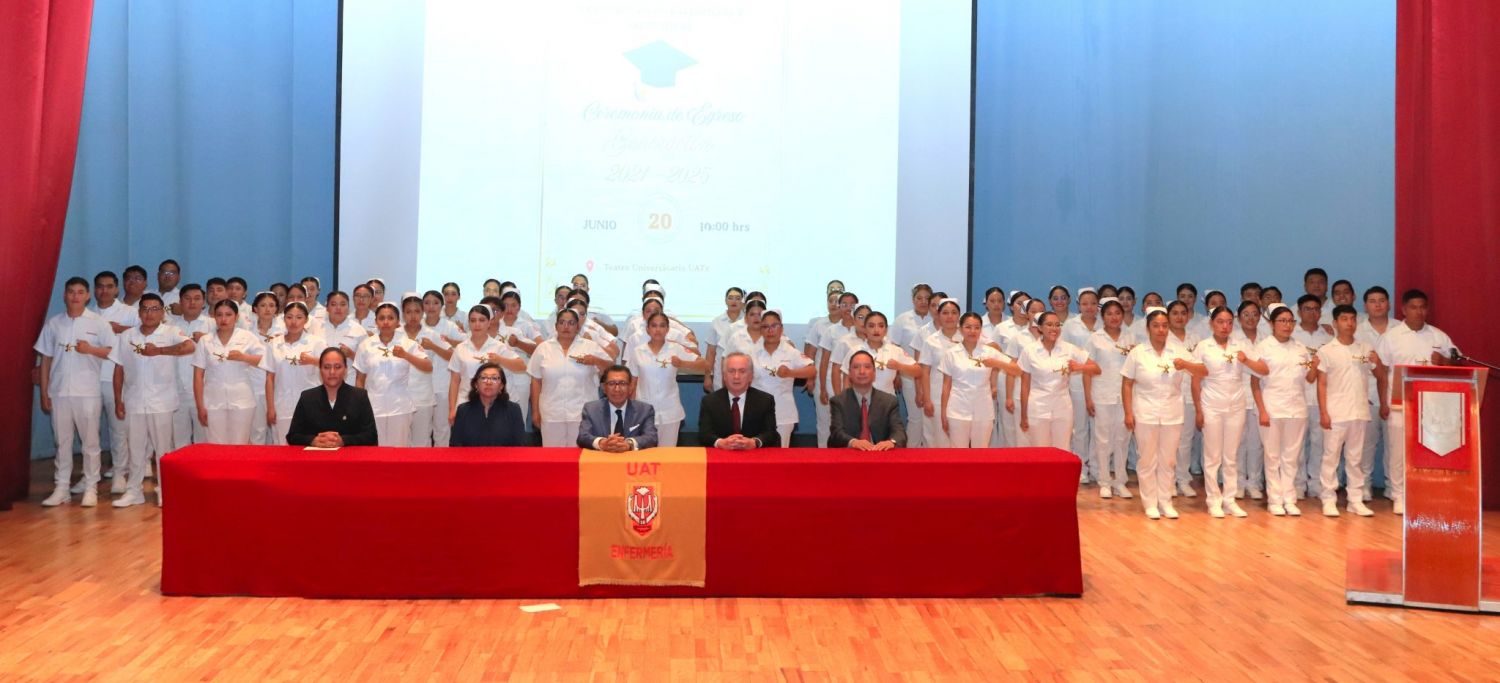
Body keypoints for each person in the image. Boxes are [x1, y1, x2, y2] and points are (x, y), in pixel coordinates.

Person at [1376, 289, 1459, 515]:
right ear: (1404, 310)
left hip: (1432, 404)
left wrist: (1444, 361)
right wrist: (1383, 403)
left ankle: (1424, 492)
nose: (1418, 312)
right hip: (1399, 402)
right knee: (1397, 451)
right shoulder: (1391, 337)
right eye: (1413, 307)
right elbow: (1382, 372)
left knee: (1428, 450)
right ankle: (1398, 494)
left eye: (1422, 307)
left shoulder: (1438, 336)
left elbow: (1457, 362)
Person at [35, 277, 115, 507]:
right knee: (62, 442)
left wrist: (90, 349)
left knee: (90, 443)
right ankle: (61, 488)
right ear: (65, 295)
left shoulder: (99, 323)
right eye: (71, 292)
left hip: (88, 391)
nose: (75, 296)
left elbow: (112, 351)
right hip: (59, 392)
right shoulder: (54, 324)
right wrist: (44, 392)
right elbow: (46, 359)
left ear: (88, 296)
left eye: (80, 292)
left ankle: (91, 487)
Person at [108, 293, 193, 506]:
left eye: (155, 309)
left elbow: (190, 346)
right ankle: (133, 491)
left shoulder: (171, 331)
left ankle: (165, 490)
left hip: (162, 402)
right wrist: (118, 400)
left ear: (162, 312)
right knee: (135, 449)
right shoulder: (127, 336)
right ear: (139, 312)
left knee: (163, 450)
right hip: (134, 400)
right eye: (145, 309)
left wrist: (160, 351)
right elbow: (118, 369)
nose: (149, 313)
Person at [1122, 308, 1206, 520]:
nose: (1161, 330)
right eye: (1156, 326)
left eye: (1164, 326)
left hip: (1172, 412)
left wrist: (1185, 364)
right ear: (1148, 328)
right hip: (1145, 411)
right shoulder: (1138, 352)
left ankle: (1165, 501)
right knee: (1147, 459)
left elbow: (1203, 371)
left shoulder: (1177, 350)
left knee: (1168, 460)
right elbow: (1127, 383)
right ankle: (1150, 502)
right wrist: (1128, 412)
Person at [1317, 304, 1387, 517]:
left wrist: (1378, 363)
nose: (1349, 323)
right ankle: (1328, 498)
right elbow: (1321, 383)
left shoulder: (1365, 348)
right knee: (1331, 457)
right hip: (1336, 412)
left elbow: (1381, 376)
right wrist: (1324, 412)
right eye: (1344, 319)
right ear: (1335, 323)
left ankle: (1354, 500)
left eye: (1353, 319)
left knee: (1355, 459)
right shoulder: (1326, 350)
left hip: (1359, 411)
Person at [1191, 306, 1259, 518]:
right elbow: (1195, 381)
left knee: (1231, 455)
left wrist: (1246, 360)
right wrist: (1198, 410)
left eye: (1229, 322)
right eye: (1220, 322)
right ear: (1211, 323)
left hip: (1236, 405)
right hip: (1211, 404)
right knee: (1213, 456)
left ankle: (1230, 499)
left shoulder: (1240, 345)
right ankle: (1213, 500)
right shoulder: (1203, 346)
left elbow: (1260, 369)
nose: (1225, 326)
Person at [1250, 304, 1318, 517]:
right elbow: (1255, 382)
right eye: (1282, 321)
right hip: (1272, 408)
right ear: (1272, 324)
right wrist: (1262, 410)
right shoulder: (1263, 347)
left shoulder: (1300, 348)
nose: (1287, 325)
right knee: (1272, 457)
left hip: (1297, 409)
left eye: (1290, 321)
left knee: (1291, 457)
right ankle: (1274, 499)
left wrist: (1315, 364)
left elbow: (1309, 378)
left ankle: (1289, 498)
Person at [528, 309, 614, 447]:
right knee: (553, 457)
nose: (566, 326)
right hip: (551, 412)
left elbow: (611, 367)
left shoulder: (590, 346)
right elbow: (536, 381)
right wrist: (535, 411)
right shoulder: (543, 348)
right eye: (562, 322)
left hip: (583, 413)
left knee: (580, 455)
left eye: (571, 323)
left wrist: (596, 360)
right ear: (556, 326)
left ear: (578, 327)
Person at [352, 303, 432, 447]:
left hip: (400, 407)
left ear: (397, 321)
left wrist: (406, 355)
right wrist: (359, 405)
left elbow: (428, 366)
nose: (386, 322)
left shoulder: (408, 343)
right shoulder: (366, 345)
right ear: (376, 321)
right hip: (373, 407)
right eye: (381, 318)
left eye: (390, 318)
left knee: (399, 451)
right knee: (375, 450)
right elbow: (360, 379)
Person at [626, 312, 709, 447]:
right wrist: (631, 410)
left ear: (668, 329)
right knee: (645, 453)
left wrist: (683, 363)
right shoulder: (637, 352)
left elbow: (705, 365)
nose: (658, 329)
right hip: (644, 410)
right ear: (647, 329)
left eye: (662, 326)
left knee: (667, 454)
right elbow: (633, 382)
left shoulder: (676, 348)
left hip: (670, 411)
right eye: (654, 326)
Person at [1020, 311, 1099, 451]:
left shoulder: (1068, 348)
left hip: (1062, 406)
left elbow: (1096, 369)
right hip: (1038, 406)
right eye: (1049, 325)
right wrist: (1023, 415)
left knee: (1062, 449)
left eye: (1057, 325)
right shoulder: (1029, 351)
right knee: (1040, 450)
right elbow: (1025, 386)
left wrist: (1080, 367)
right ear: (1040, 328)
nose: (1054, 328)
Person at [192, 300, 266, 444]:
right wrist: (200, 406)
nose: (223, 319)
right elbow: (198, 376)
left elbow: (265, 360)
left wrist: (244, 357)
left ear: (236, 317)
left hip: (242, 400)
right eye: (219, 315)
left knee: (239, 445)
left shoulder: (247, 337)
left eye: (228, 315)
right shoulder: (205, 341)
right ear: (214, 317)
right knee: (215, 446)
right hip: (212, 401)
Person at [1084, 298, 1137, 499]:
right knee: (1103, 439)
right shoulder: (1094, 339)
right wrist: (1088, 398)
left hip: (1125, 397)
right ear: (1102, 316)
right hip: (1101, 395)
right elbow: (1087, 370)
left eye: (1117, 313)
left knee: (1122, 439)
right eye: (1109, 314)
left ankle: (1120, 481)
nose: (1114, 317)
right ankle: (1104, 481)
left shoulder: (1130, 337)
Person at [91, 271, 138, 491]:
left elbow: (146, 332)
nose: (105, 290)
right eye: (100, 286)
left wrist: (121, 329)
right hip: (89, 379)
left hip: (116, 377)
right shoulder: (87, 314)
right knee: (90, 431)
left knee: (118, 428)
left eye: (109, 286)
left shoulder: (129, 313)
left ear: (117, 289)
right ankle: (90, 477)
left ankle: (120, 472)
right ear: (94, 290)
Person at [943, 312, 1019, 448]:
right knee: (958, 453)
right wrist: (943, 413)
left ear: (981, 330)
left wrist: (996, 363)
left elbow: (1017, 370)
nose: (972, 331)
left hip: (983, 410)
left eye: (977, 327)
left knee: (981, 452)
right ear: (960, 329)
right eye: (968, 327)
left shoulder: (989, 351)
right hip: (957, 409)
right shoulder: (951, 353)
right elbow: (946, 386)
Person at [449, 305, 527, 426]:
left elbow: (521, 366)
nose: (477, 324)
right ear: (469, 323)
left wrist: (500, 360)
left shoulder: (498, 346)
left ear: (489, 323)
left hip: (495, 404)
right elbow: (454, 381)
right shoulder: (460, 348)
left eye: (482, 320)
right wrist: (452, 409)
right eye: (473, 320)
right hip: (466, 402)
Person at [285, 347, 379, 447]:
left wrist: (344, 441)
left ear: (345, 369)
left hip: (349, 456)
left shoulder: (359, 396)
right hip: (315, 456)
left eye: (337, 367)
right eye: (327, 367)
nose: (332, 372)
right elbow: (292, 436)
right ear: (320, 369)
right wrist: (313, 440)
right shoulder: (307, 397)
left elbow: (371, 436)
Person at [751, 310, 817, 447]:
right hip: (756, 411)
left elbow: (812, 370)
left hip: (783, 412)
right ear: (761, 330)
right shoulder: (751, 352)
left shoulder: (790, 351)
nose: (770, 330)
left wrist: (790, 372)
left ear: (781, 328)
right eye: (765, 326)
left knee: (780, 453)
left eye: (774, 326)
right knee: (756, 453)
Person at [261, 302, 324, 445]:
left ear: (306, 320)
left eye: (299, 317)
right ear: (283, 319)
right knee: (282, 446)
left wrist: (313, 361)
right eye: (289, 317)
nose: (294, 322)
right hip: (281, 405)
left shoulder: (316, 342)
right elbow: (269, 378)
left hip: (310, 405)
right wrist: (270, 407)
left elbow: (330, 367)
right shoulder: (274, 343)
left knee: (309, 447)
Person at [1291, 294, 1333, 500]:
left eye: (1316, 309)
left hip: (1320, 399)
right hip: (1296, 397)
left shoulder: (1328, 336)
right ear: (1299, 312)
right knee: (1296, 445)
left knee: (1319, 444)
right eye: (1307, 309)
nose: (1312, 313)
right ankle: (1297, 484)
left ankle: (1316, 483)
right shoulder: (1291, 335)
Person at [1355, 286, 1393, 500]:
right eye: (1372, 301)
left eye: (1381, 300)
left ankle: (1393, 487)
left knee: (1394, 446)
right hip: (1366, 396)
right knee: (1365, 446)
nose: (1377, 305)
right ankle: (1364, 486)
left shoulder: (1400, 330)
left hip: (1394, 397)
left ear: (1389, 304)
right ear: (1365, 306)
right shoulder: (1356, 331)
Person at [698, 352, 779, 449]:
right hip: (722, 455)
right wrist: (720, 442)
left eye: (742, 371)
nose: (736, 376)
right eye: (731, 371)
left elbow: (770, 433)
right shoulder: (709, 401)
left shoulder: (765, 400)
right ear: (724, 376)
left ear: (750, 376)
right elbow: (704, 434)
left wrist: (754, 442)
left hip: (754, 454)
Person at [829, 350, 906, 449]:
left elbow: (899, 433)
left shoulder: (889, 401)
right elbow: (836, 433)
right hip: (850, 454)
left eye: (867, 367)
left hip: (880, 454)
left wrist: (891, 442)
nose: (862, 371)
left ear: (874, 373)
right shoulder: (838, 402)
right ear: (849, 373)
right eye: (856, 367)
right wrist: (853, 442)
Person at [889, 283, 934, 447]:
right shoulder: (902, 320)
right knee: (915, 416)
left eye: (927, 298)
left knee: (930, 418)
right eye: (919, 298)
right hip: (909, 375)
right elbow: (894, 346)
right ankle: (911, 452)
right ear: (913, 300)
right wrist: (896, 375)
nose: (923, 302)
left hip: (933, 376)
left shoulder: (935, 318)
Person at [168, 284, 213, 449]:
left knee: (205, 440)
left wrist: (207, 338)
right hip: (176, 390)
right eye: (187, 298)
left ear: (203, 302)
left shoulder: (213, 325)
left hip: (205, 391)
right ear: (180, 301)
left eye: (197, 298)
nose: (192, 302)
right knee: (179, 440)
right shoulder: (169, 326)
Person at [1165, 300, 1203, 497]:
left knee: (1186, 440)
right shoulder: (1163, 338)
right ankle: (1168, 481)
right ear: (1168, 316)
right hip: (1169, 396)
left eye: (1183, 313)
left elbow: (1202, 368)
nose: (1179, 317)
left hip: (1191, 395)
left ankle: (1183, 478)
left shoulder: (1196, 339)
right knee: (1170, 441)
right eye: (1175, 313)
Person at [578, 366, 659, 451]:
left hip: (632, 458)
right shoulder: (591, 409)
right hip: (601, 458)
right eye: (611, 383)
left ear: (630, 387)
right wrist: (601, 443)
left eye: (622, 383)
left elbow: (652, 438)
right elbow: (582, 437)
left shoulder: (644, 410)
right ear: (604, 388)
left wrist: (629, 444)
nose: (617, 389)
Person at [1061, 288, 1101, 458]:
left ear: (1098, 305)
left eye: (1093, 303)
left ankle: (1096, 464)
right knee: (1080, 426)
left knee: (1098, 426)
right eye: (1085, 304)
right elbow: (1063, 351)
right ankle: (1081, 464)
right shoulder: (1070, 325)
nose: (1089, 307)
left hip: (1099, 380)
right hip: (1077, 380)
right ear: (1078, 305)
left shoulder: (1104, 323)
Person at [450, 363, 528, 446]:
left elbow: (520, 444)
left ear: (501, 386)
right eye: (484, 378)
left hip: (505, 455)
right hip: (470, 455)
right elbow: (455, 444)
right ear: (476, 384)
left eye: (494, 378)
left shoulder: (513, 409)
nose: (489, 382)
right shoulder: (463, 410)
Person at [703, 287, 747, 392]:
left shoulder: (748, 321)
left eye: (738, 298)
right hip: (721, 374)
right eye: (730, 298)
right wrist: (707, 376)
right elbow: (711, 352)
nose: (734, 301)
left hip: (744, 372)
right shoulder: (716, 322)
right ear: (725, 301)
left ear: (743, 302)